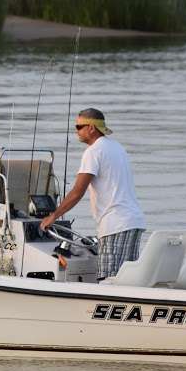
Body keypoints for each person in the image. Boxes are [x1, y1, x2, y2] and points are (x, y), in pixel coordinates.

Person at [40, 108, 145, 281]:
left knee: (108, 279)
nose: (76, 131)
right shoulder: (117, 147)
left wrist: (53, 217)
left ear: (91, 128)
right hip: (133, 221)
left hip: (115, 224)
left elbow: (77, 191)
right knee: (126, 280)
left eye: (79, 126)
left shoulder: (94, 152)